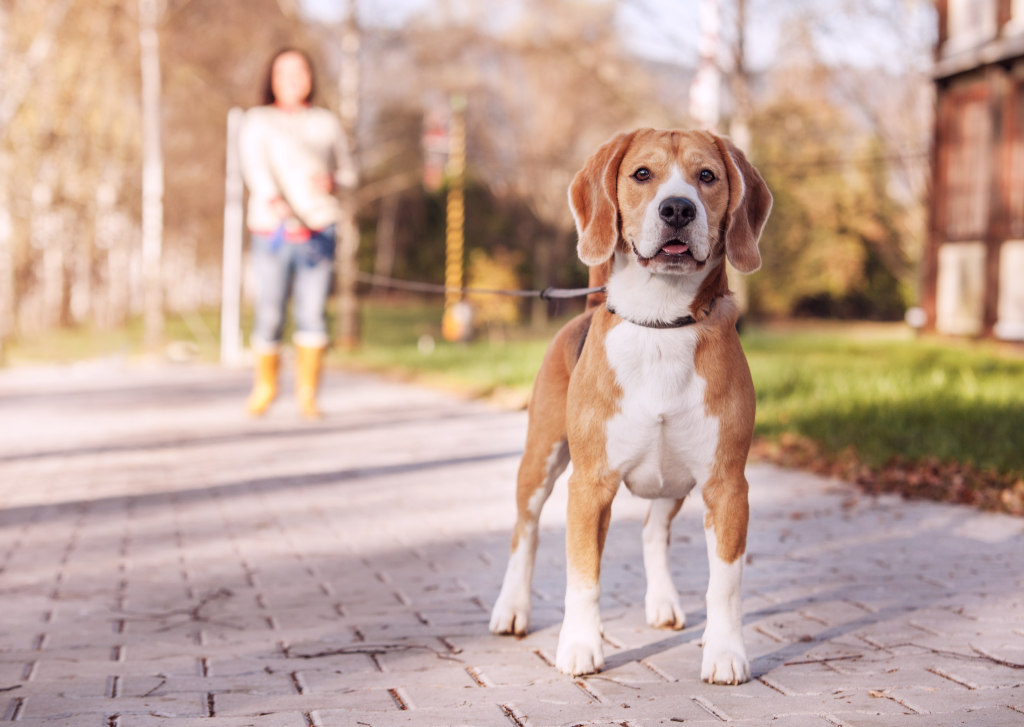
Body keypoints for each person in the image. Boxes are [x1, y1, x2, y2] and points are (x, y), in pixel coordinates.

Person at [239, 48, 353, 418]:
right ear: (271, 78)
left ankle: (308, 394)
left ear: (310, 77)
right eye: (284, 71)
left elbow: (351, 172)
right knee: (270, 311)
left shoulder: (326, 122)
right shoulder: (257, 120)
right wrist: (277, 205)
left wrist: (333, 179)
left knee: (313, 312)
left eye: (299, 71)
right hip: (272, 230)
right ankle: (265, 387)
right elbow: (254, 168)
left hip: (320, 228)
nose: (292, 78)